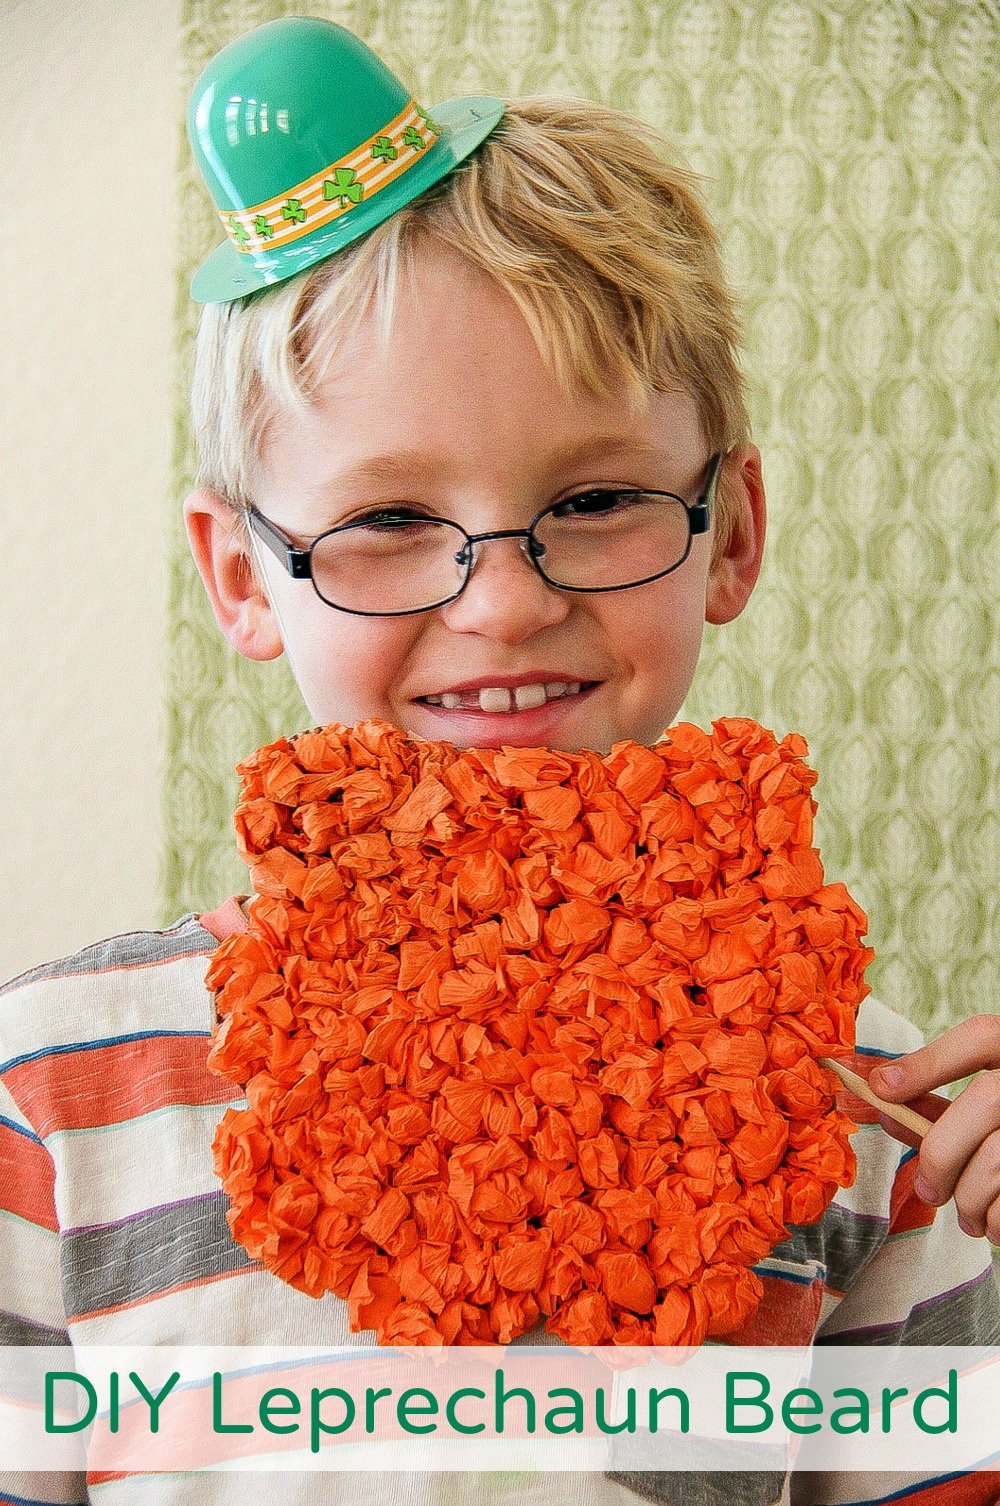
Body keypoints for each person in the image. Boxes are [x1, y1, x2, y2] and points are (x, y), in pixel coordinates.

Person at [0, 16, 997, 1506]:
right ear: (243, 577)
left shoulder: (866, 1130)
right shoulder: (57, 1102)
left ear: (732, 532)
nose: (506, 600)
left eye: (594, 495)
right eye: (390, 520)